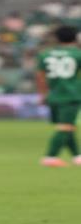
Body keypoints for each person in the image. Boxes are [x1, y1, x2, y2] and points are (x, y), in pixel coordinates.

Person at [36, 25, 81, 167]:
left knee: (67, 126)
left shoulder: (45, 54)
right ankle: (50, 157)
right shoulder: (77, 54)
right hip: (71, 95)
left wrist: (43, 94)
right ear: (75, 38)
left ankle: (77, 156)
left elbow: (40, 77)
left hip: (53, 95)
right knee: (65, 127)